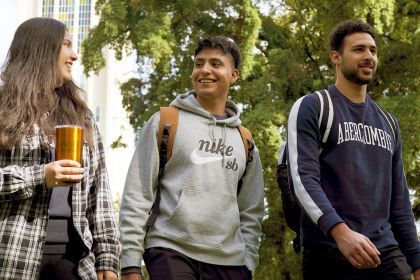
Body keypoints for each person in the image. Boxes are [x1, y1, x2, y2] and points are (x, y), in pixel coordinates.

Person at [119, 36, 264, 280]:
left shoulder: (245, 141)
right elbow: (138, 193)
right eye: (199, 63)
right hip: (170, 250)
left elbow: (252, 210)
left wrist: (248, 262)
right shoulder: (165, 122)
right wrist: (130, 262)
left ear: (234, 75)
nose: (205, 70)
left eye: (216, 64)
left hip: (231, 263)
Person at [287, 20, 420, 279]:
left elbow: (400, 199)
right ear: (336, 57)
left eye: (373, 50)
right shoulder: (314, 107)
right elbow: (302, 179)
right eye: (359, 49)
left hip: (385, 253)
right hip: (329, 251)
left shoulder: (389, 122)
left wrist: (416, 261)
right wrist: (340, 232)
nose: (368, 56)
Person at [0, 17, 120, 280]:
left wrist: (108, 258)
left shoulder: (82, 116)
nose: (74, 55)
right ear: (42, 49)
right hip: (13, 253)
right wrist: (40, 176)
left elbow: (99, 193)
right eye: (66, 44)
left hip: (75, 260)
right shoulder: (3, 109)